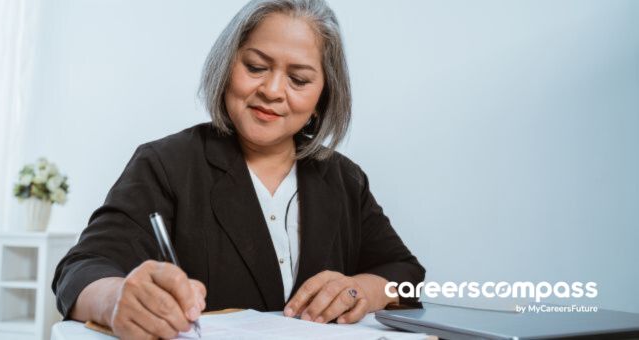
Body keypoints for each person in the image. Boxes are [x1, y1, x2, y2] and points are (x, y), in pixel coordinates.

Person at [52, 0, 425, 338]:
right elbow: (81, 269)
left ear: (322, 98)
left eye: (298, 79)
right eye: (256, 67)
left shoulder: (345, 178)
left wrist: (364, 289)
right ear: (227, 65)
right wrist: (115, 299)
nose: (273, 90)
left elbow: (405, 274)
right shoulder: (164, 163)